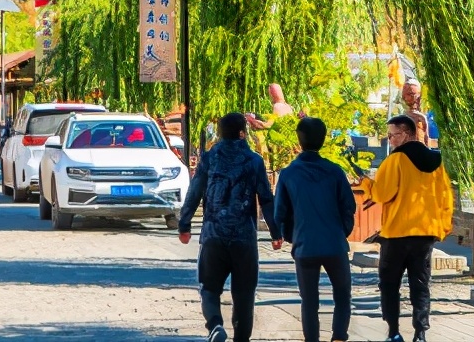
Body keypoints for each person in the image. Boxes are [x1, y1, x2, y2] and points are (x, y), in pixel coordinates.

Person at [179, 112, 283, 342]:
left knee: (209, 287)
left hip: (213, 236)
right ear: (243, 133)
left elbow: (195, 190)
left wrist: (184, 223)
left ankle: (215, 324)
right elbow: (266, 198)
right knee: (245, 295)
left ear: (220, 133)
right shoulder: (254, 161)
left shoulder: (209, 157)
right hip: (244, 238)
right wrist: (276, 232)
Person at [358, 115, 453, 342]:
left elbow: (382, 194)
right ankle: (420, 333)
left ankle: (393, 332)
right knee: (420, 285)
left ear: (407, 134)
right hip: (425, 234)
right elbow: (446, 197)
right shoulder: (437, 162)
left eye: (392, 135)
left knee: (390, 285)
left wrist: (366, 184)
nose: (389, 140)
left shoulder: (395, 160)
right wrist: (443, 227)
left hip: (396, 234)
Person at [274, 117, 357, 342]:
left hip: (305, 245)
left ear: (299, 140)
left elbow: (279, 212)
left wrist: (290, 235)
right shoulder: (335, 171)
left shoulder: (289, 173)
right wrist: (341, 231)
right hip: (334, 243)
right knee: (342, 295)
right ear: (323, 138)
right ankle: (339, 337)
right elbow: (349, 206)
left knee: (309, 301)